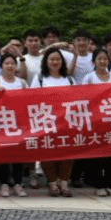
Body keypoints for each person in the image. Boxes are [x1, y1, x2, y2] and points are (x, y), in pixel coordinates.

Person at [80, 47, 111, 197]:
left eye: (105, 59)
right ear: (94, 62)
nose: (102, 61)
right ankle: (98, 184)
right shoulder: (89, 78)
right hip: (95, 121)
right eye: (99, 59)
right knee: (97, 154)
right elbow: (84, 98)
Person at [37, 48, 74, 197]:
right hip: (46, 121)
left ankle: (64, 182)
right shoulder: (40, 79)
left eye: (58, 59)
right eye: (52, 59)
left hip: (67, 121)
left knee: (68, 152)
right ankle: (52, 182)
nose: (55, 62)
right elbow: (32, 99)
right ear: (46, 62)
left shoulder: (69, 79)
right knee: (48, 152)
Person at [0, 52, 29, 197]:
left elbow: (30, 100)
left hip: (19, 123)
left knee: (18, 154)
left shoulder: (22, 83)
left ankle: (18, 183)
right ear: (1, 66)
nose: (9, 66)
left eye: (12, 63)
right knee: (3, 154)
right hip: (2, 123)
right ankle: (4, 183)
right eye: (6, 63)